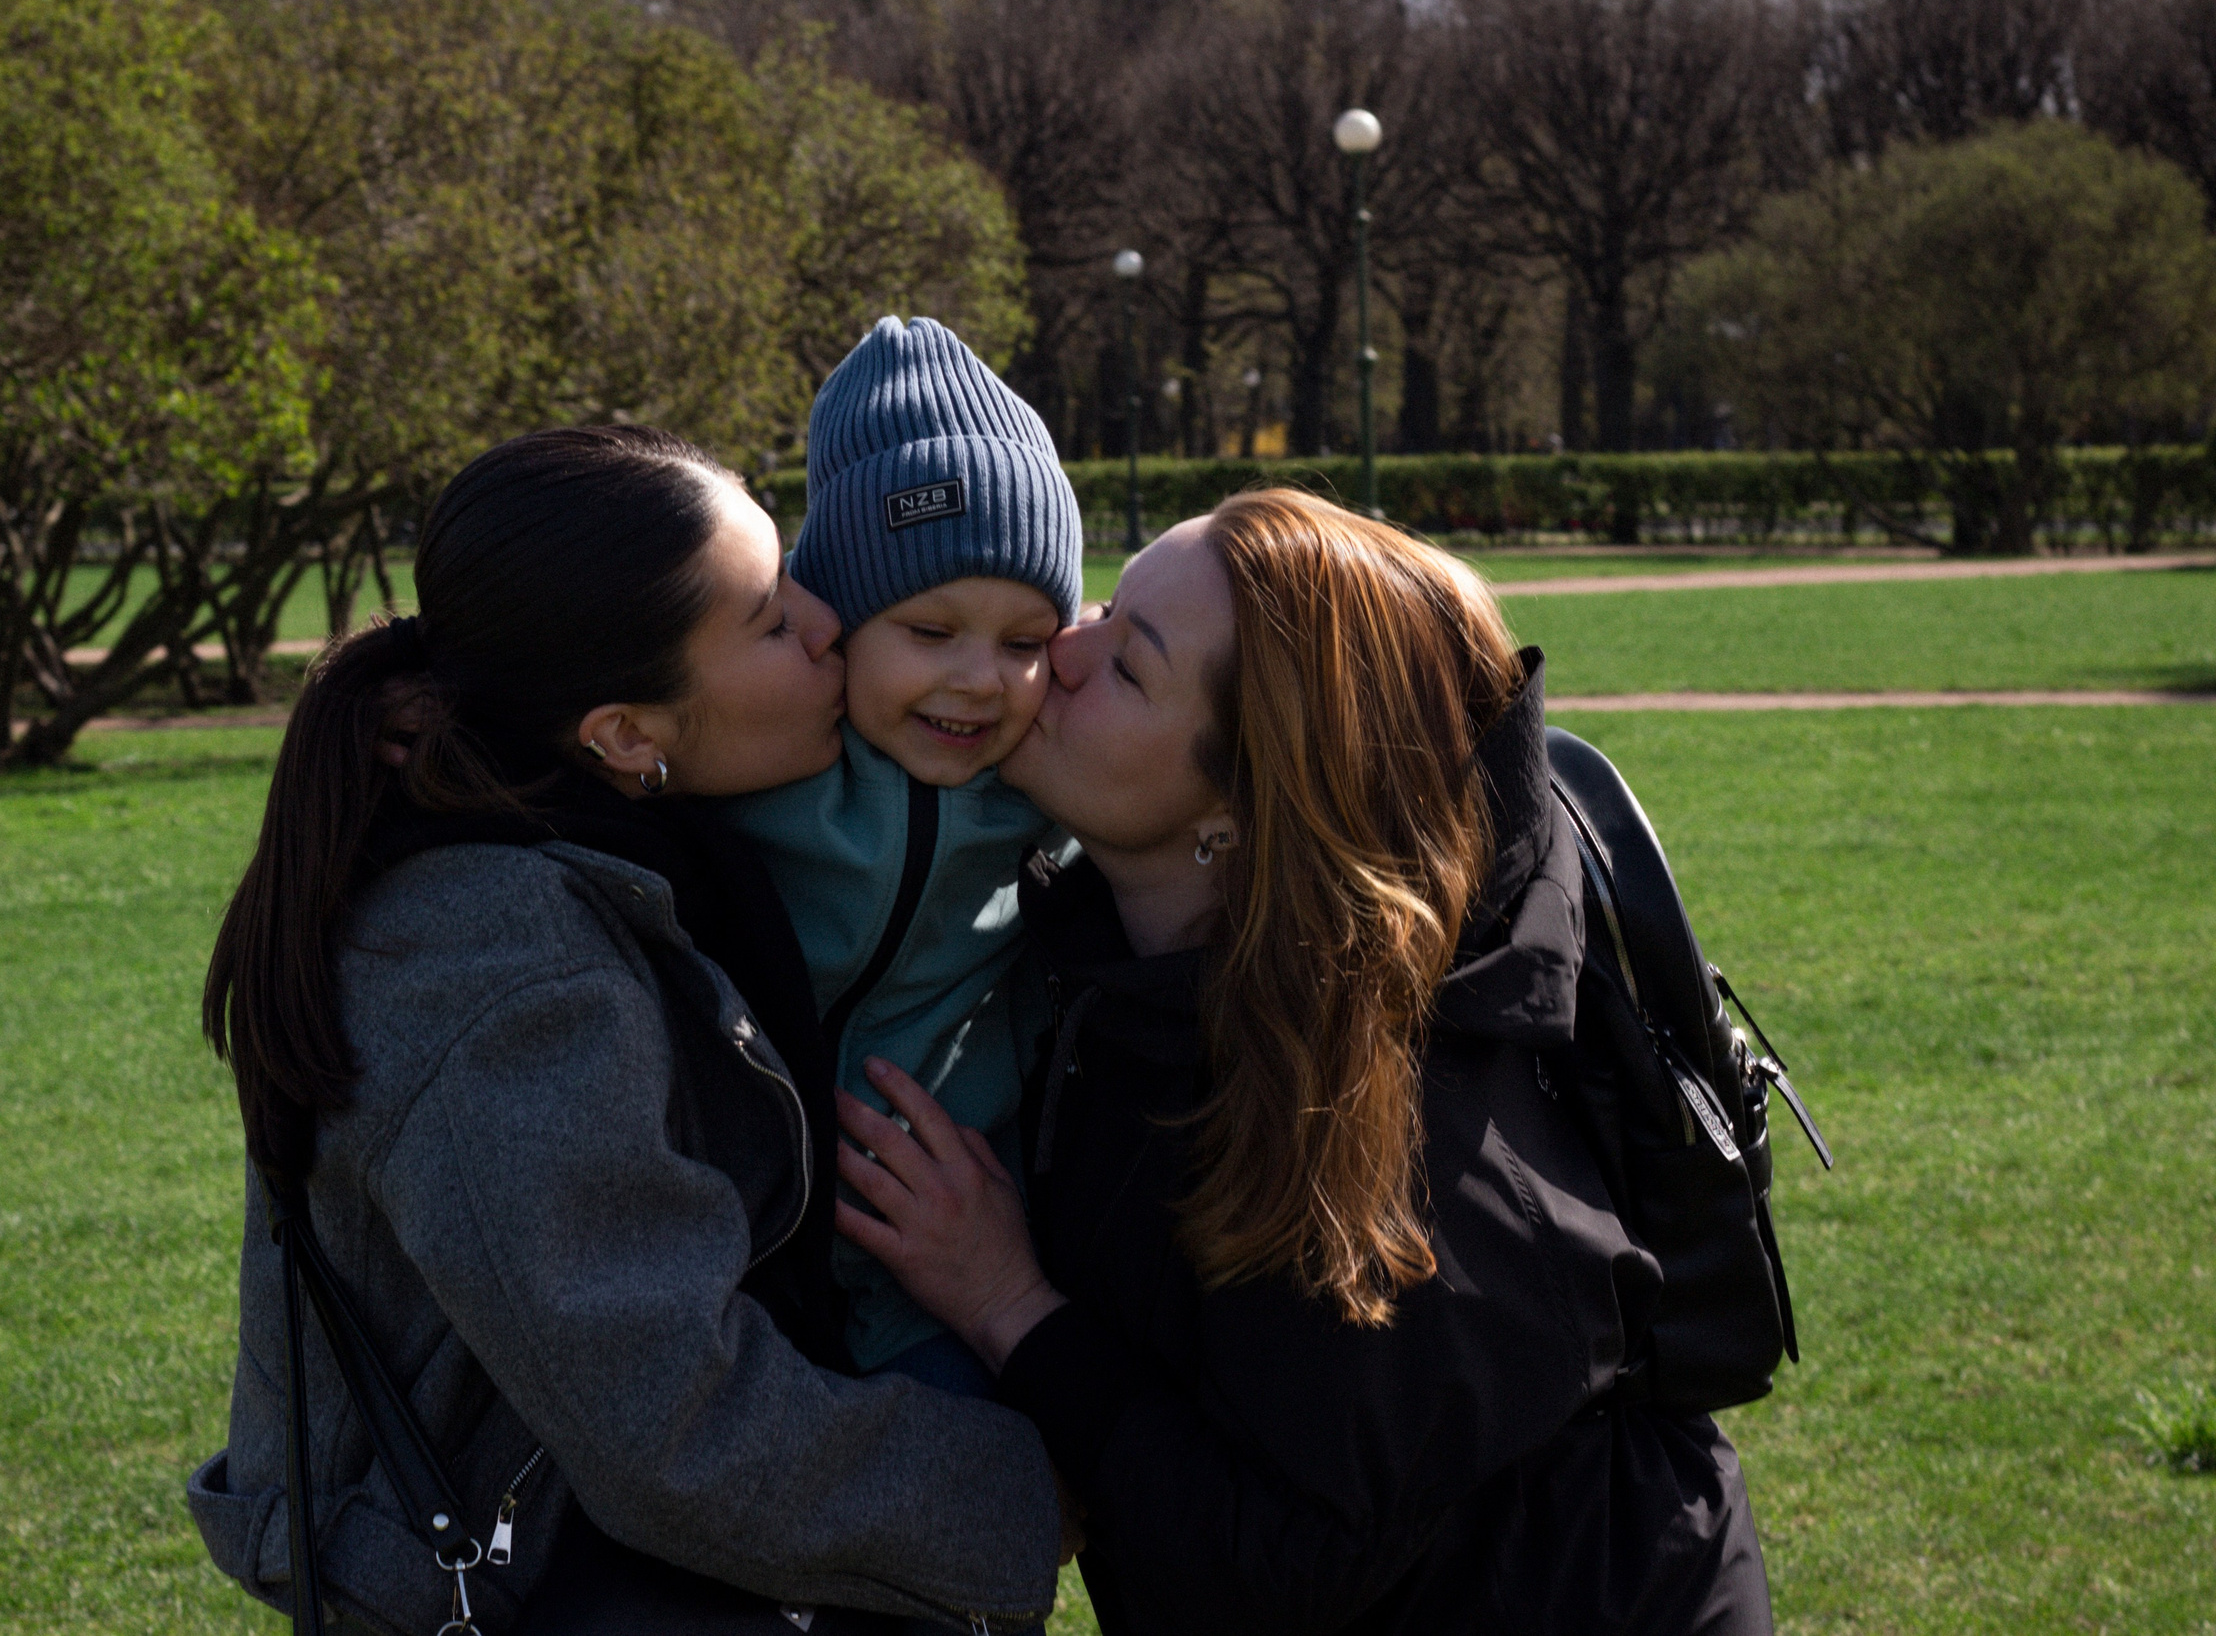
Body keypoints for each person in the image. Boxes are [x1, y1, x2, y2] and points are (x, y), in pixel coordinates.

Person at [835, 489, 1775, 1634]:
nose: (1058, 649)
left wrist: (1010, 1309)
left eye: (1127, 665)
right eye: (1105, 605)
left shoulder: (1394, 1119)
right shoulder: (1130, 969)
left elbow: (1279, 1572)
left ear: (1240, 810)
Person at [186, 426, 1063, 1635]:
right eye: (771, 619)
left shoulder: (599, 839)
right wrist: (1039, 1488)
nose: (826, 624)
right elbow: (675, 1427)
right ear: (626, 737)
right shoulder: (500, 964)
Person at [720, 316, 1082, 1398]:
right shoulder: (760, 767)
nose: (980, 679)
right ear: (835, 623)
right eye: (930, 631)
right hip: (739, 1266)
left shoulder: (1046, 788)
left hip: (937, 1284)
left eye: (1025, 643)